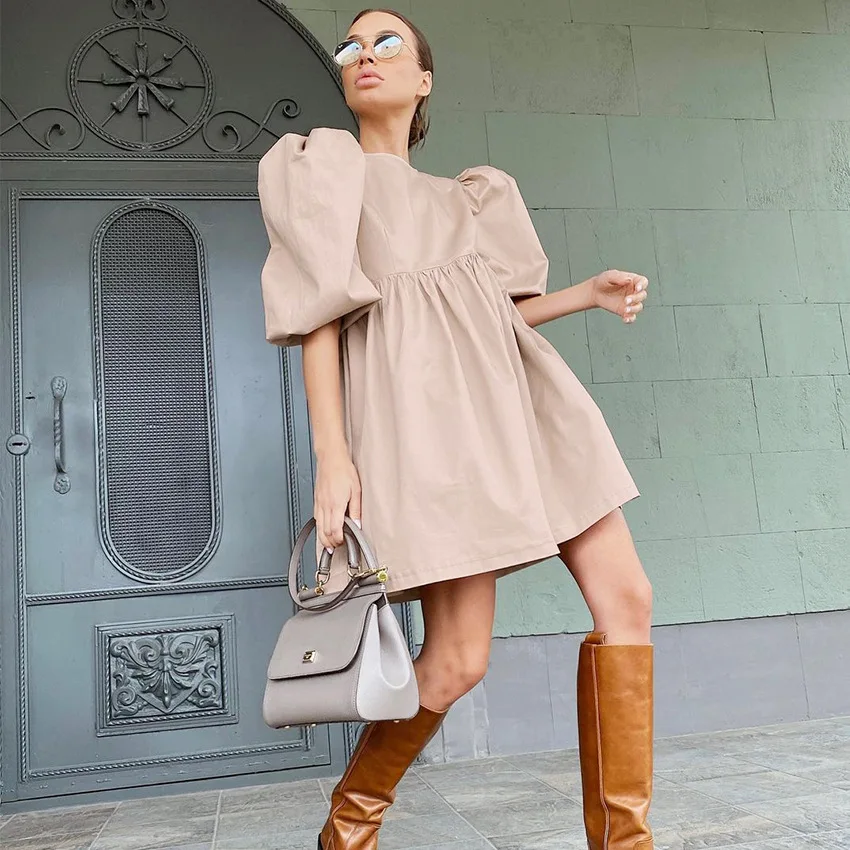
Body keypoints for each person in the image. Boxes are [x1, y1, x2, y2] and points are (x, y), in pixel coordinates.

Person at [257, 8, 654, 850]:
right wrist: (333, 457)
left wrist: (584, 294)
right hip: (432, 437)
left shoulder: (473, 195)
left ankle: (626, 842)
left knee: (629, 599)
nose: (364, 55)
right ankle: (347, 831)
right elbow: (318, 322)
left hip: (526, 409)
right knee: (455, 662)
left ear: (424, 79)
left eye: (387, 42)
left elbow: (492, 320)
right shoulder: (324, 172)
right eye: (351, 45)